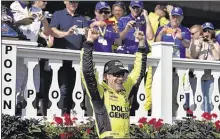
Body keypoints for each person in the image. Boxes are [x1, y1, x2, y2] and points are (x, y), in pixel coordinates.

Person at [80, 28, 147, 138]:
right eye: (116, 75)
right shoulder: (100, 92)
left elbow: (139, 72)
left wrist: (141, 44)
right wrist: (89, 42)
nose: (120, 78)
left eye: (121, 74)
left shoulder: (125, 89)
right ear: (106, 77)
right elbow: (87, 73)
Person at [50, 0, 88, 115]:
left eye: (76, 1)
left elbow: (86, 37)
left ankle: (73, 117)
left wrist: (88, 33)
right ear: (65, 2)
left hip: (77, 60)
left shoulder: (82, 18)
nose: (73, 3)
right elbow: (52, 31)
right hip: (62, 59)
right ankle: (62, 116)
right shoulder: (58, 14)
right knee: (63, 89)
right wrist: (67, 33)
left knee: (75, 89)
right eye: (71, 1)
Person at [155, 7, 191, 115]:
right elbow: (156, 43)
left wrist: (181, 38)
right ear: (170, 17)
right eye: (173, 16)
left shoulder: (185, 30)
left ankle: (174, 115)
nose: (175, 19)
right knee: (164, 92)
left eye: (177, 17)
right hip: (165, 65)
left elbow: (187, 44)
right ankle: (163, 115)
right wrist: (161, 34)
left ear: (181, 18)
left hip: (179, 66)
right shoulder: (162, 28)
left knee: (177, 92)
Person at [144, 4, 173, 112]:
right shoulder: (148, 16)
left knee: (161, 84)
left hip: (162, 54)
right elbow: (150, 37)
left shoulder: (166, 21)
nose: (162, 10)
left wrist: (170, 14)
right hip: (149, 53)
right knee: (148, 84)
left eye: (164, 9)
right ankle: (147, 107)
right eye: (161, 8)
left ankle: (154, 108)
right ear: (155, 7)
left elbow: (173, 28)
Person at [189, 22, 220, 113]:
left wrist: (211, 45)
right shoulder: (196, 42)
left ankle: (207, 120)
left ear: (212, 33)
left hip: (210, 76)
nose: (207, 33)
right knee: (197, 98)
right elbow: (194, 55)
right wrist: (199, 44)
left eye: (209, 31)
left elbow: (217, 57)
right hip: (197, 75)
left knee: (209, 99)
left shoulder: (216, 44)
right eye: (205, 31)